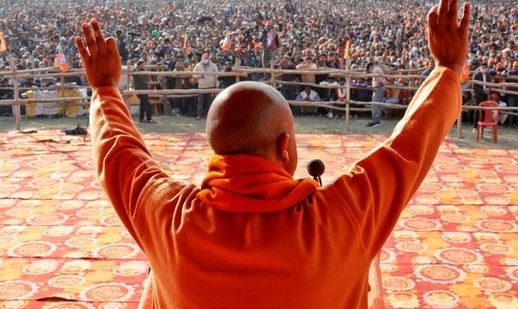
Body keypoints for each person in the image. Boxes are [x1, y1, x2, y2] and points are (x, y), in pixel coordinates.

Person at [75, 0, 470, 307]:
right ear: (285, 148)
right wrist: (447, 70)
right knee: (369, 266)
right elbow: (408, 147)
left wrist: (106, 88)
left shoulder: (165, 216)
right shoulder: (342, 216)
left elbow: (117, 150)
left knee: (152, 277)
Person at [192, 53, 218, 120]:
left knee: (210, 102)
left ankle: (210, 116)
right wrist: (200, 76)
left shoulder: (214, 66)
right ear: (202, 59)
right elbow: (193, 74)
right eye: (204, 58)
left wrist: (216, 86)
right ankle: (199, 115)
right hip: (201, 86)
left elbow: (217, 77)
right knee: (200, 102)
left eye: (206, 58)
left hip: (211, 86)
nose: (205, 60)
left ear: (209, 59)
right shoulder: (198, 65)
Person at [132, 59, 155, 123]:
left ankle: (141, 118)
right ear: (138, 65)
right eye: (141, 65)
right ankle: (149, 119)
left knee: (142, 104)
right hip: (140, 91)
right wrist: (135, 67)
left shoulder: (144, 72)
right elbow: (133, 72)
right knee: (147, 104)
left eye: (143, 65)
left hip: (144, 90)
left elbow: (145, 80)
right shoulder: (136, 71)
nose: (143, 66)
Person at [366, 61, 386, 127]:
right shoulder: (377, 69)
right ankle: (376, 120)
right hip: (378, 88)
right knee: (377, 105)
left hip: (378, 88)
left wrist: (375, 86)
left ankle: (375, 120)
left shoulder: (376, 70)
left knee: (375, 105)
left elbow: (379, 80)